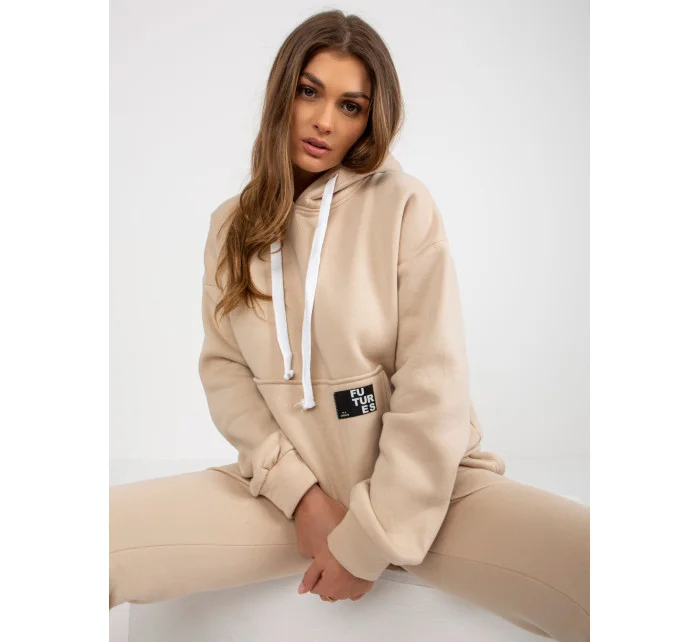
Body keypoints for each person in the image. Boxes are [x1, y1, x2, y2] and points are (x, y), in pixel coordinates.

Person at [109, 9, 589, 641]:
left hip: (433, 497)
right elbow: (225, 371)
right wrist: (302, 496)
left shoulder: (402, 205)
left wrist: (369, 541)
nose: (324, 120)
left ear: (370, 119)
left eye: (350, 105)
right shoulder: (231, 226)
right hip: (284, 498)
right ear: (282, 93)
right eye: (309, 91)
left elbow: (433, 382)